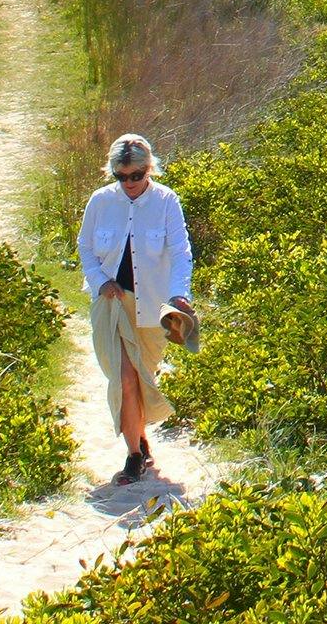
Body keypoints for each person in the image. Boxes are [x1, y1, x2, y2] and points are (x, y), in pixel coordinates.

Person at [76, 134, 193, 485]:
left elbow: (181, 251)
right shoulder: (100, 202)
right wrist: (100, 281)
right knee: (125, 378)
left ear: (149, 169)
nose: (129, 183)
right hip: (111, 303)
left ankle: (140, 435)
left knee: (143, 376)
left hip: (153, 305)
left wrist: (179, 295)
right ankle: (134, 454)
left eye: (136, 175)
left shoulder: (166, 200)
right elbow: (85, 248)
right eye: (121, 176)